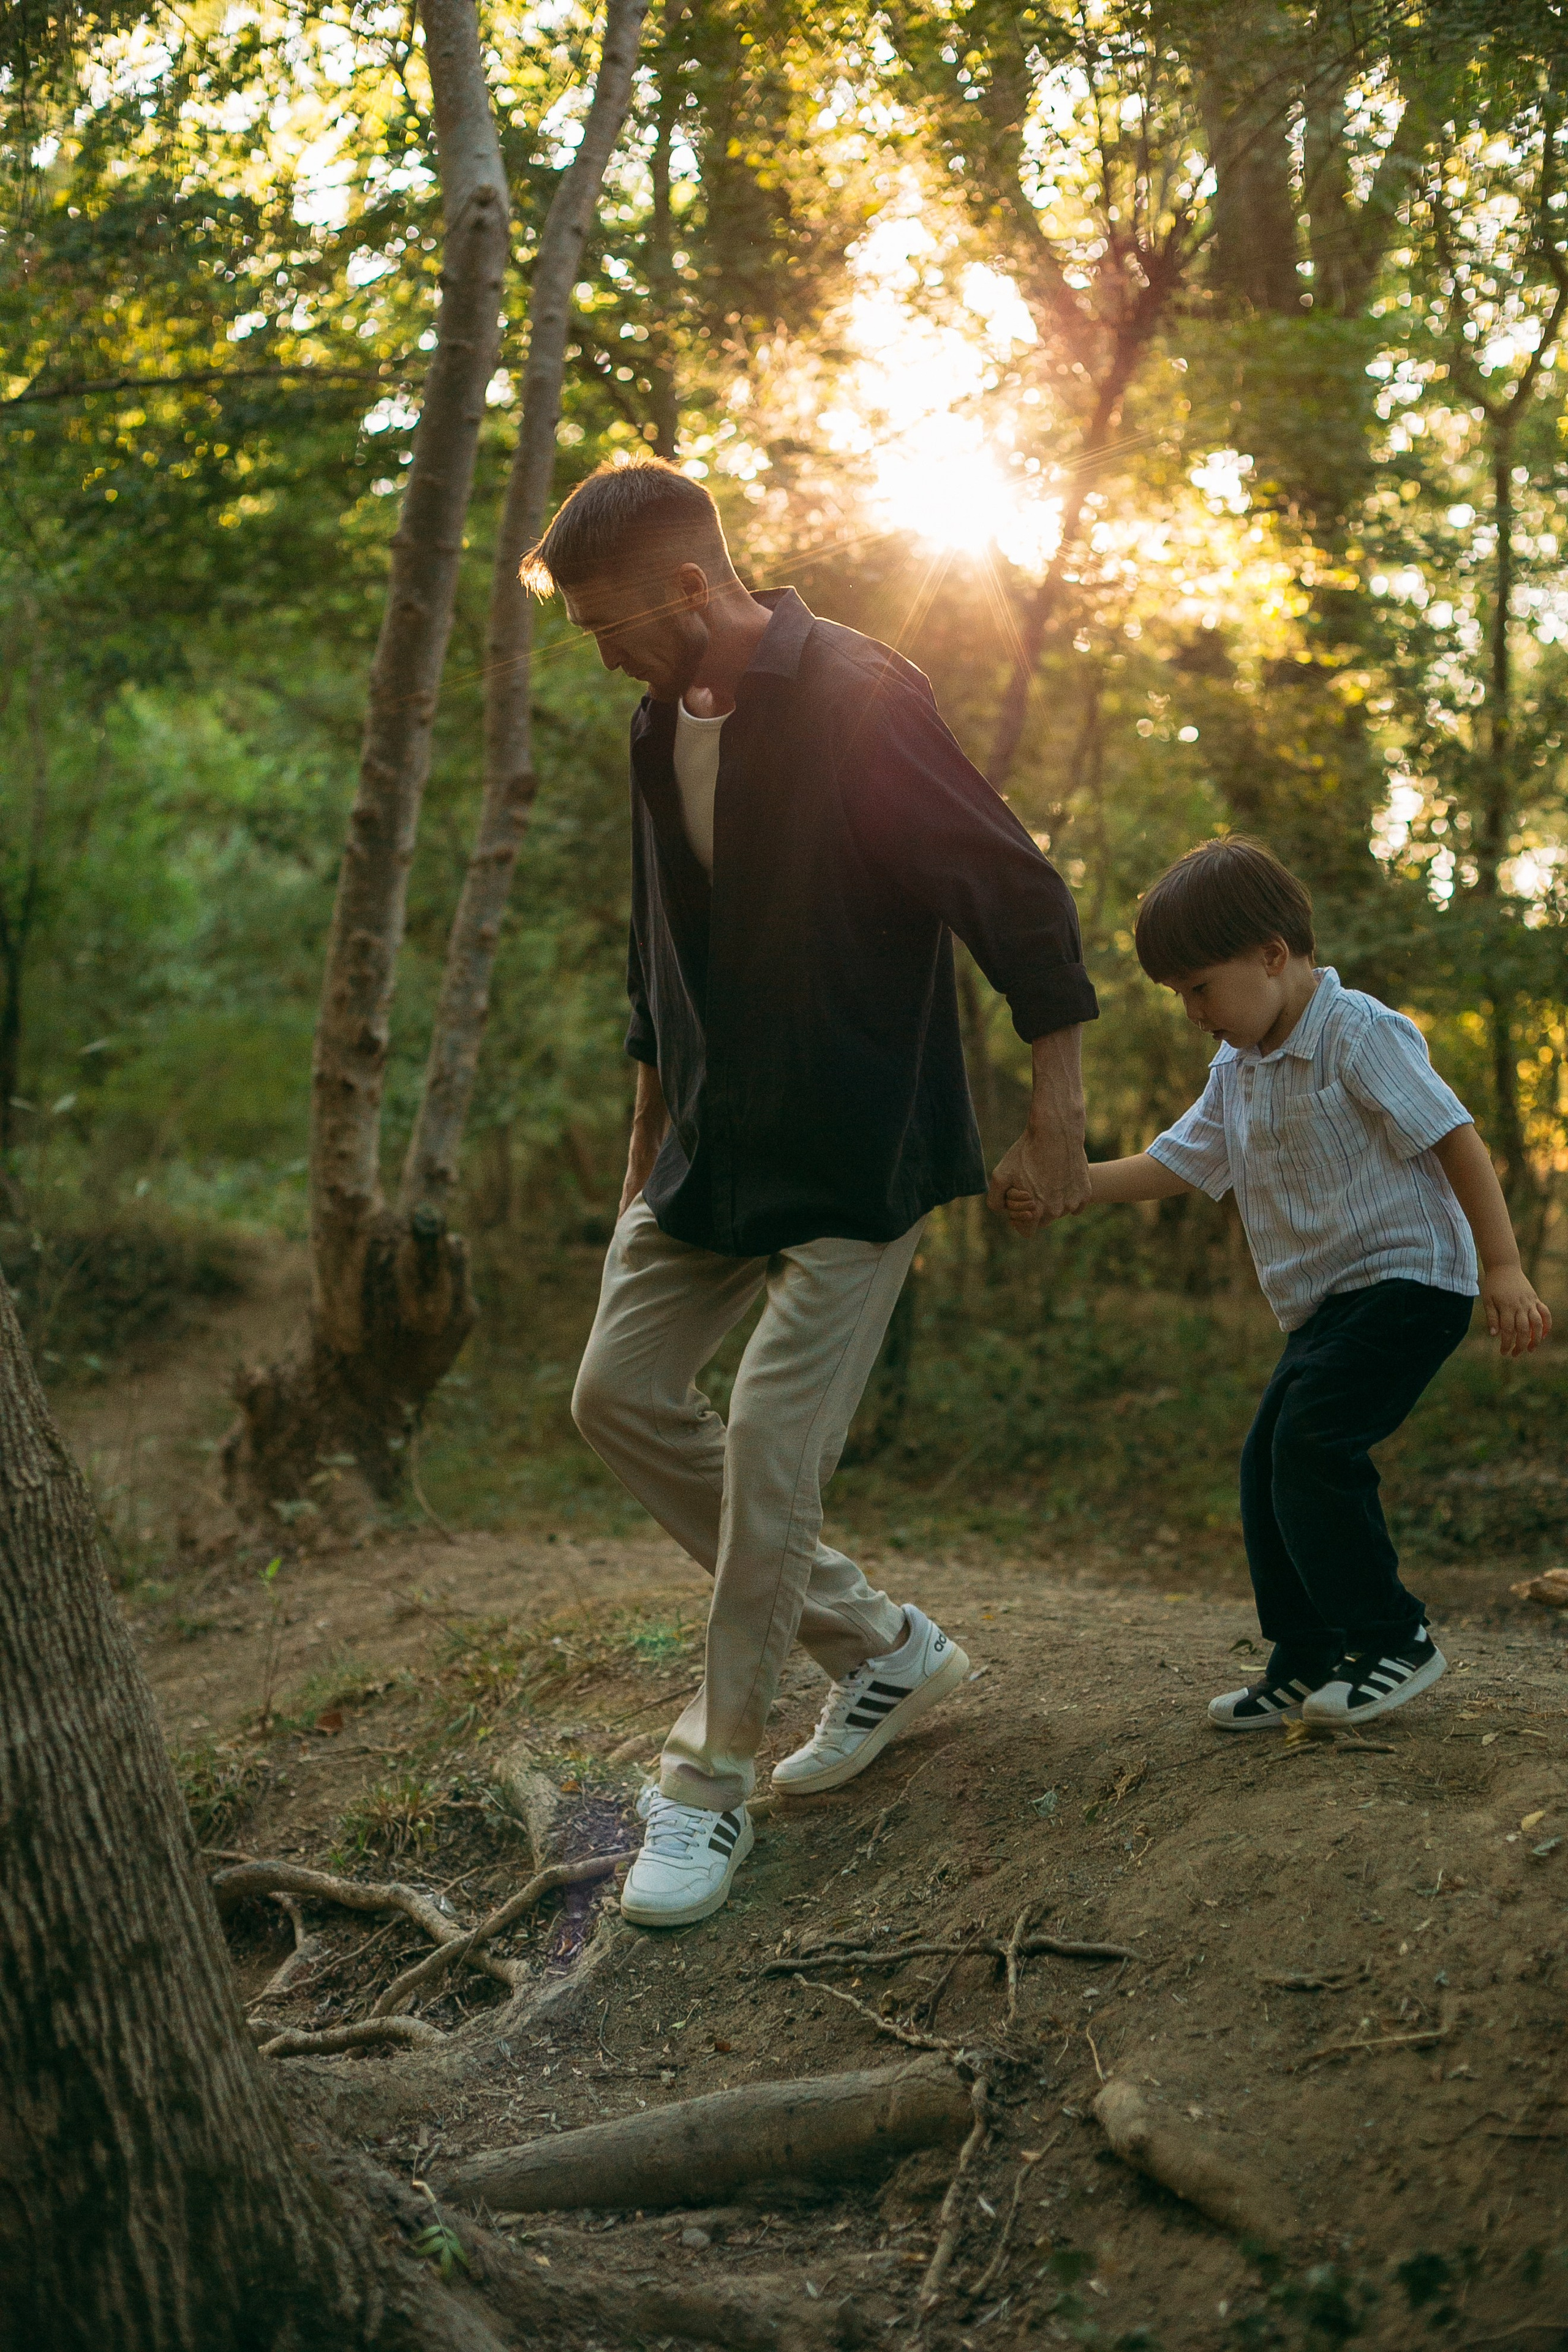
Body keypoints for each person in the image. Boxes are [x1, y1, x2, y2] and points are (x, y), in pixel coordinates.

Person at [522, 458, 1098, 1925]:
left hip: (859, 1142)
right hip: (715, 1143)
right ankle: (884, 1649)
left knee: (772, 1445)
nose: (601, 659)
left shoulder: (857, 693)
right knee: (614, 1393)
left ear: (691, 589)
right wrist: (645, 1148)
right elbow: (659, 956)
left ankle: (704, 1787)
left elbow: (1016, 896)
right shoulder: (657, 727)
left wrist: (1052, 1126)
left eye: (606, 626)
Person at [1009, 836, 1551, 1733]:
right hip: (1329, 1303)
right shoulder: (1240, 1066)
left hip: (1413, 1280)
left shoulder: (1359, 1032)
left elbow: (1455, 1136)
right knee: (1267, 1462)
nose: (1192, 1013)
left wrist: (1504, 1266)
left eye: (1199, 988)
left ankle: (1393, 1637)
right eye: (1179, 995)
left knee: (1312, 1444)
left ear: (1271, 954)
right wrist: (1067, 1185)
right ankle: (1303, 1655)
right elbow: (1176, 1162)